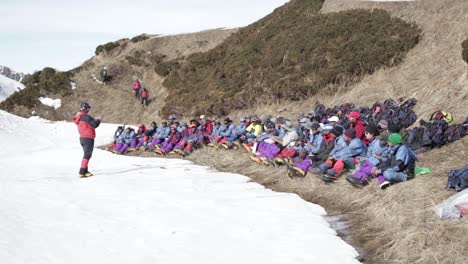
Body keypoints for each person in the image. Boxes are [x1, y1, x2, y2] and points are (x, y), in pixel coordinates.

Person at [73, 102, 101, 177]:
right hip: (88, 138)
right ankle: (82, 171)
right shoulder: (86, 116)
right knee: (87, 155)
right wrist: (98, 120)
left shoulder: (79, 116)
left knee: (86, 154)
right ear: (85, 108)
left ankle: (85, 170)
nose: (89, 109)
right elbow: (94, 125)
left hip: (82, 138)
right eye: (88, 108)